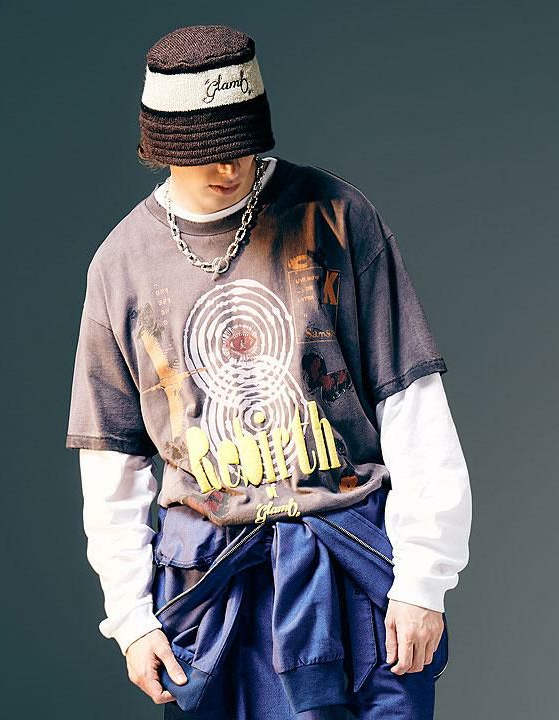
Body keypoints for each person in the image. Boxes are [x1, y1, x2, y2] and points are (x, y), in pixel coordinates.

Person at [65, 23, 472, 719]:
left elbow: (412, 401)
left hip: (351, 561)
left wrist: (423, 580)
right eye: (207, 152)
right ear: (162, 148)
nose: (230, 167)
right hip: (215, 588)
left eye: (242, 143)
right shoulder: (120, 265)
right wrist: (131, 618)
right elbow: (113, 462)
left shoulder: (337, 216)